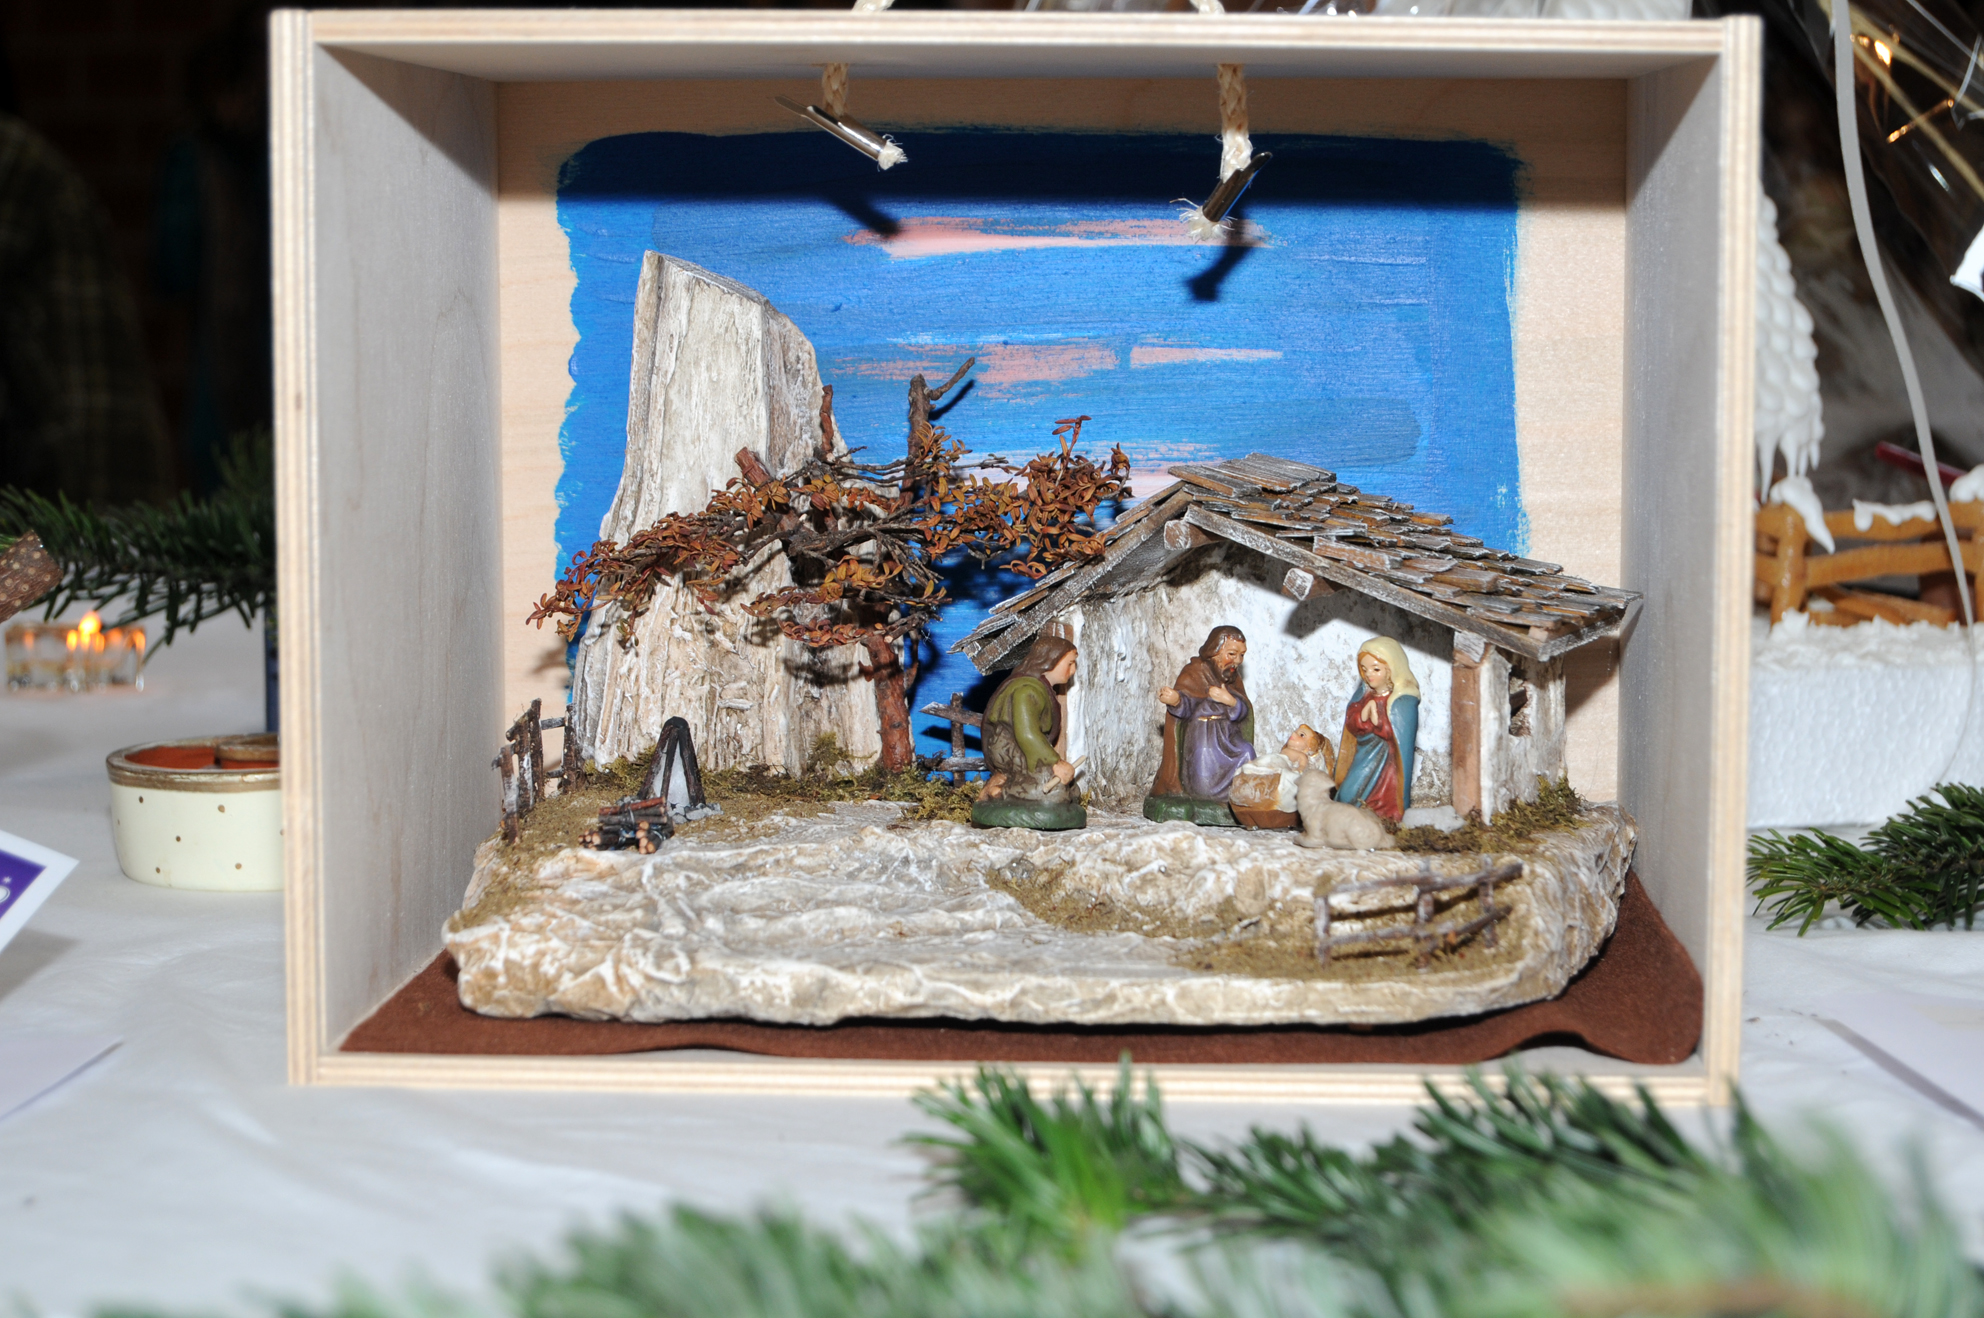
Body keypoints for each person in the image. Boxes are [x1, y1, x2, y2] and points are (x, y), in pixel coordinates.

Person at [1151, 625, 1255, 802]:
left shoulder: (1232, 677)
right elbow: (1187, 704)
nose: (1237, 661)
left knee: (1247, 752)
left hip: (1229, 737)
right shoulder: (1194, 672)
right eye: (1231, 654)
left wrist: (1230, 701)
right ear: (1214, 652)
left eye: (1242, 655)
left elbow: (1244, 710)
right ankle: (1208, 796)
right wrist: (1176, 700)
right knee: (1203, 784)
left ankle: (1240, 797)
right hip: (1203, 738)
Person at [979, 635, 1079, 805]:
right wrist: (1055, 763)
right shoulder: (1026, 692)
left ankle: (1004, 785)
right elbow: (1027, 734)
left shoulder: (1040, 689)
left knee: (1071, 790)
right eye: (1069, 663)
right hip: (1013, 750)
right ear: (1050, 661)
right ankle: (1000, 792)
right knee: (1054, 791)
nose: (1073, 670)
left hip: (1028, 748)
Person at [1333, 636, 1420, 823]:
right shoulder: (1363, 696)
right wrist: (1365, 713)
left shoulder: (1403, 702)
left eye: (1376, 669)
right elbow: (1352, 723)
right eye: (1364, 669)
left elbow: (1398, 733)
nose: (1369, 675)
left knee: (1381, 800)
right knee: (1348, 793)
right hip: (1364, 755)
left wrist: (1377, 717)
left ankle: (1383, 821)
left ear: (1391, 669)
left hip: (1387, 764)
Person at [1230, 724, 1329, 814]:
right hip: (1276, 759)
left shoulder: (1301, 755)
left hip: (1281, 762)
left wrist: (1299, 770)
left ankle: (1258, 767)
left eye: (1301, 735)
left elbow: (1302, 765)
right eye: (1295, 731)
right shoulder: (1285, 750)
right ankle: (1255, 766)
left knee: (1269, 762)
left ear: (1308, 747)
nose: (1293, 734)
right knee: (1266, 760)